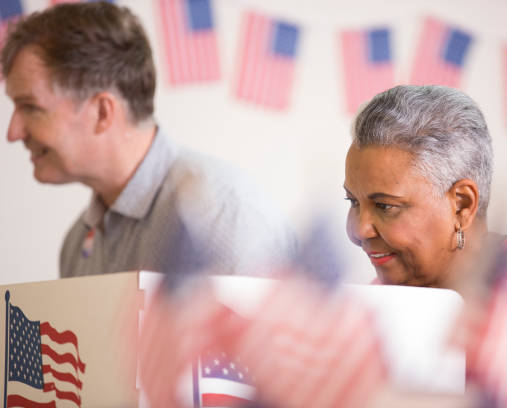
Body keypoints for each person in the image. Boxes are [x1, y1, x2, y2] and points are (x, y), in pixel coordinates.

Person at [343, 84, 507, 406]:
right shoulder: (378, 302)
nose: (358, 229)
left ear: (462, 205)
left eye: (385, 206)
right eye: (352, 201)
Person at [2, 2, 294, 280]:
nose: (13, 132)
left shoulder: (225, 219)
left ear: (102, 112)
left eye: (30, 107)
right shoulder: (76, 243)